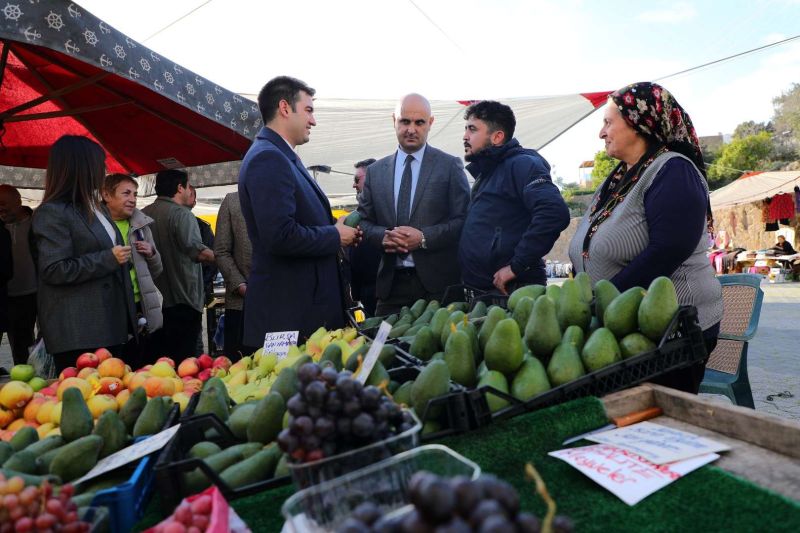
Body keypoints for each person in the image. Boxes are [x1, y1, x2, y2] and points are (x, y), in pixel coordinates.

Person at [568, 82, 723, 394]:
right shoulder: (621, 176)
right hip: (623, 330)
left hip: (672, 334)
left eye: (608, 122)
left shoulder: (674, 171)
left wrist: (603, 302)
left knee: (655, 419)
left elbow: (668, 249)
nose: (601, 133)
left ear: (640, 123)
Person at [238, 75, 360, 344]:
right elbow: (280, 235)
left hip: (300, 313)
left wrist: (332, 227)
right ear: (284, 108)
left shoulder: (280, 155)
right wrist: (334, 236)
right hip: (290, 317)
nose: (313, 120)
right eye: (309, 110)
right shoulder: (268, 158)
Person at [31, 135, 138, 372]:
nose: (105, 170)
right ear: (82, 167)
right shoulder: (53, 213)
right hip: (79, 332)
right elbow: (54, 269)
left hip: (111, 325)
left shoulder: (97, 207)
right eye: (100, 164)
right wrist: (108, 258)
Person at [358, 94, 470, 315]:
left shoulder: (449, 166)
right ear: (394, 120)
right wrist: (384, 236)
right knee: (382, 348)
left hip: (440, 289)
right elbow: (364, 222)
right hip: (390, 288)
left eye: (419, 122)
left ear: (430, 123)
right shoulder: (375, 172)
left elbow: (463, 220)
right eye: (405, 121)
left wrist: (424, 238)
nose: (411, 129)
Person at [458, 101, 570, 293]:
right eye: (466, 129)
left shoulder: (522, 165)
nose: (465, 136)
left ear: (497, 137)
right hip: (483, 291)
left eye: (472, 129)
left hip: (513, 292)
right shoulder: (487, 172)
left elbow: (554, 212)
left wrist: (516, 266)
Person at [142, 169, 215, 361]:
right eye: (188, 186)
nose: (190, 191)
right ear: (179, 188)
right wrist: (223, 258)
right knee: (185, 364)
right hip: (184, 299)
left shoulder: (142, 214)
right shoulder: (182, 215)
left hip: (151, 302)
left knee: (159, 363)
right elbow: (198, 251)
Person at [101, 173, 163, 366]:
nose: (132, 199)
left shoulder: (141, 226)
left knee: (140, 364)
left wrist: (152, 253)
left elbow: (158, 270)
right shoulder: (95, 225)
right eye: (126, 193)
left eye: (135, 194)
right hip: (110, 308)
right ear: (106, 195)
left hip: (139, 306)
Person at [214, 191, 254, 359]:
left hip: (282, 302)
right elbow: (221, 250)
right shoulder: (232, 201)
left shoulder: (287, 195)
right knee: (239, 365)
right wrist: (241, 285)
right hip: (241, 303)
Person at [0, 185, 37, 365]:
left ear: (19, 202)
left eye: (4, 203)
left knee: (33, 342)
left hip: (34, 291)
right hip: (7, 295)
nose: (1, 208)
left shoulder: (36, 224)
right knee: (18, 345)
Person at [349, 158, 381, 315]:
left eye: (357, 180)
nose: (354, 185)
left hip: (383, 292)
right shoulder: (356, 215)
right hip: (366, 294)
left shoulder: (386, 212)